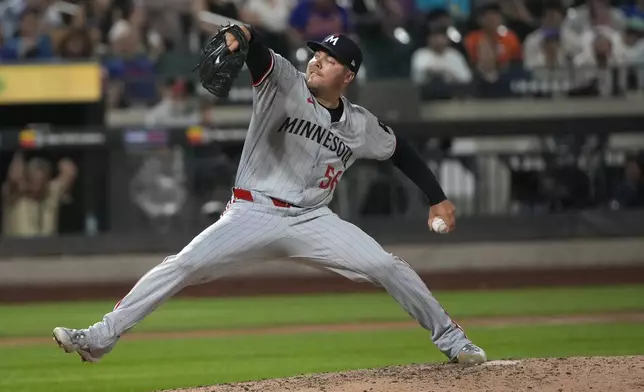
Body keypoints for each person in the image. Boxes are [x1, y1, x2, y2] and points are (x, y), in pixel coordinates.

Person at [52, 26, 487, 366]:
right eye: (317, 52)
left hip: (314, 220)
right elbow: (258, 50)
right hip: (252, 211)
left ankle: (453, 340)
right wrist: (242, 36)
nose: (317, 59)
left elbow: (401, 152)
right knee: (182, 264)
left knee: (386, 265)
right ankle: (100, 337)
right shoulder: (284, 81)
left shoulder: (360, 124)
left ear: (348, 76)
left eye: (330, 58)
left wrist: (437, 196)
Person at [2, 152, 77, 238]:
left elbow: (70, 171)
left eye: (41, 181)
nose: (38, 186)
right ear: (27, 178)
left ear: (47, 181)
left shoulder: (51, 193)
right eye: (34, 180)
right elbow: (14, 175)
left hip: (48, 249)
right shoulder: (15, 195)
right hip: (18, 249)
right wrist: (19, 151)